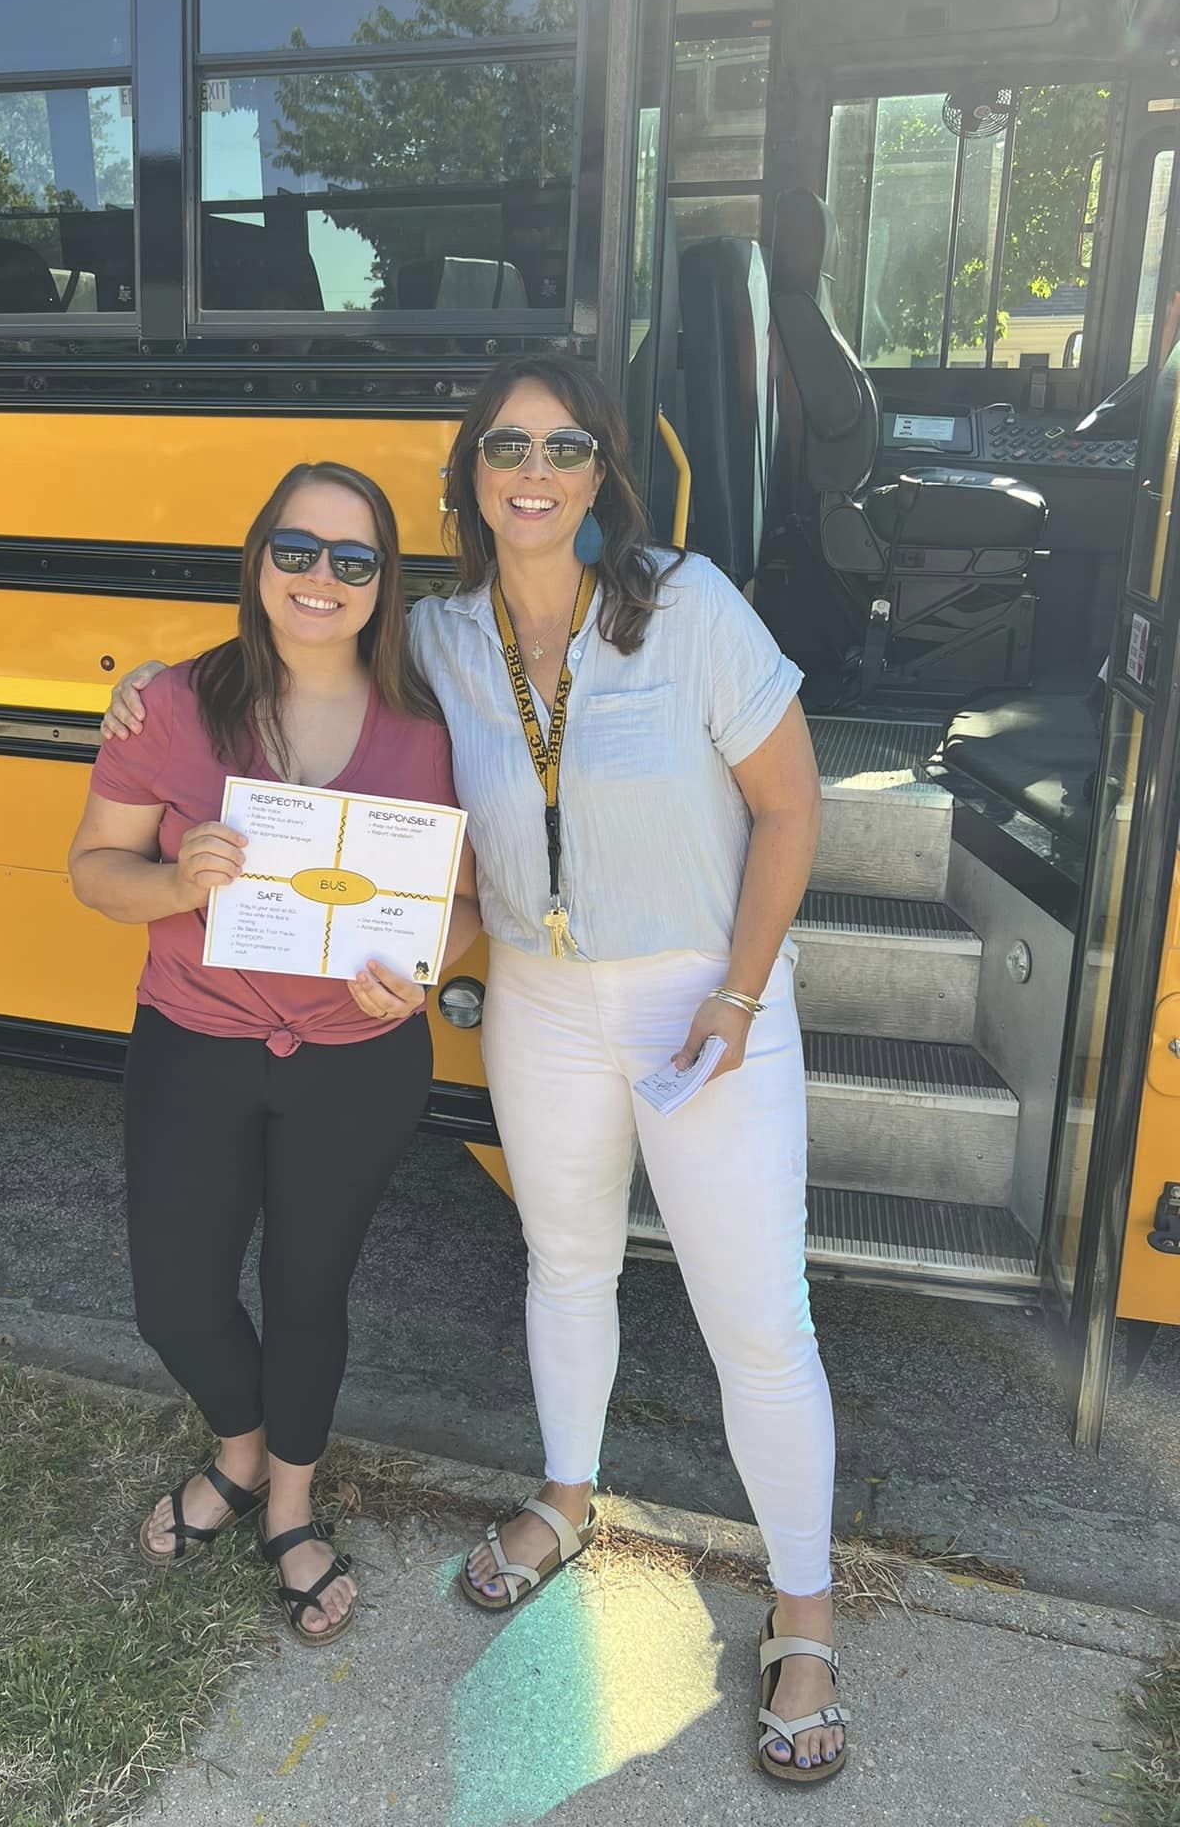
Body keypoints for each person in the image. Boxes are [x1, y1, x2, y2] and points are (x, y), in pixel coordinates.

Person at [102, 358, 847, 1781]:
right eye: (507, 446)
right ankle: (567, 1499)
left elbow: (790, 802)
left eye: (565, 448)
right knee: (564, 1268)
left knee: (756, 1315)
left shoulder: (688, 606)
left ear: (601, 474)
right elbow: (301, 676)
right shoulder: (439, 638)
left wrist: (745, 992)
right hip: (542, 1004)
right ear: (472, 476)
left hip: (705, 998)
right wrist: (159, 688)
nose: (535, 469)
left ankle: (801, 1617)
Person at [70, 461, 479, 1649]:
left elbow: (471, 898)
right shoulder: (174, 705)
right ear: (258, 559)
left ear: (383, 584)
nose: (321, 578)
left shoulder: (428, 725)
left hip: (359, 1056)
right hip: (195, 1041)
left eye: (354, 560)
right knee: (176, 1297)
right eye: (297, 549)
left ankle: (286, 1499)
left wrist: (423, 970)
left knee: (310, 1290)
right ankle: (238, 1451)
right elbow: (94, 865)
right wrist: (169, 876)